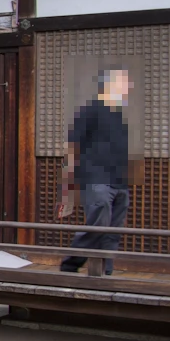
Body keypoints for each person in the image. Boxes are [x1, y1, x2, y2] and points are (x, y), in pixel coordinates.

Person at [57, 67, 132, 274]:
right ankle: (69, 266)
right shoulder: (89, 110)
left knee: (112, 233)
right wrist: (66, 190)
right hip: (96, 179)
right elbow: (71, 147)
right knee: (97, 226)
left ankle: (105, 273)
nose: (128, 87)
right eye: (123, 82)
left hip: (120, 182)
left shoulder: (120, 115)